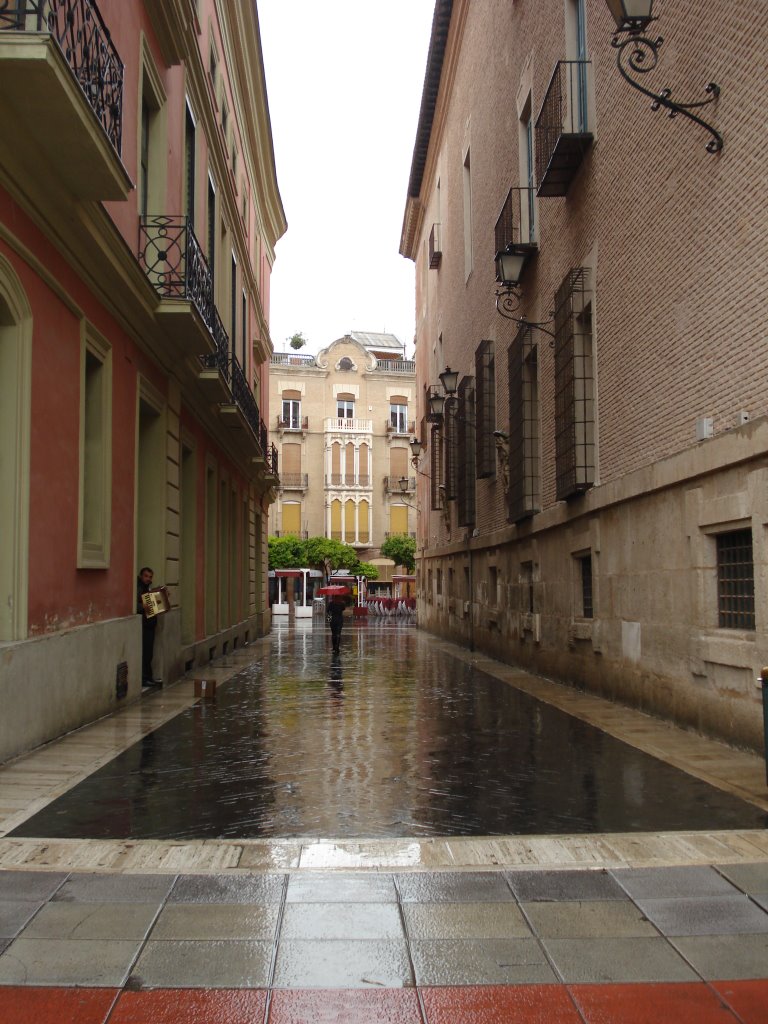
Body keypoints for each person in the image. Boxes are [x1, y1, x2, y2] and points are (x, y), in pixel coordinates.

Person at [136, 566, 162, 688]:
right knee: (145, 653)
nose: (148, 579)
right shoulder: (138, 588)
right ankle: (144, 678)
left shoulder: (149, 588)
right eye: (146, 576)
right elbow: (136, 605)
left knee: (149, 653)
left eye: (150, 577)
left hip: (150, 624)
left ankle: (148, 677)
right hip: (143, 625)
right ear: (141, 576)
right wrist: (146, 606)